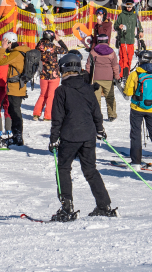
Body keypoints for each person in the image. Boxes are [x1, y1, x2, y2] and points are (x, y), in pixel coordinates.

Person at [48, 51, 116, 221]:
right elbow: (96, 112)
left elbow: (57, 117)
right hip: (88, 136)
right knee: (90, 170)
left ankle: (67, 207)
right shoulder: (87, 88)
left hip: (70, 136)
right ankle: (104, 205)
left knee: (63, 169)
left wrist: (53, 138)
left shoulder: (61, 91)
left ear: (64, 70)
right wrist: (100, 129)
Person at [122, 50, 152, 169]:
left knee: (136, 134)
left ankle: (136, 162)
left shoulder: (135, 74)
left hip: (136, 108)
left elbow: (128, 92)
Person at [0, 31, 34, 146]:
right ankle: (16, 135)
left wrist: (2, 48)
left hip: (15, 87)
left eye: (5, 42)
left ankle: (17, 137)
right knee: (14, 110)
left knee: (15, 111)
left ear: (9, 42)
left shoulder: (16, 54)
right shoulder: (22, 51)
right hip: (19, 86)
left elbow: (0, 61)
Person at [33, 31, 68, 121]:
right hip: (54, 74)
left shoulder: (39, 46)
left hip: (43, 75)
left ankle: (36, 114)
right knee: (51, 95)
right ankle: (47, 116)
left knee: (42, 94)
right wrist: (59, 40)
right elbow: (65, 50)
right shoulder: (53, 47)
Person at [85, 34, 120, 122]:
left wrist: (88, 76)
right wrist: (117, 77)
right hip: (108, 78)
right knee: (110, 97)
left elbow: (88, 65)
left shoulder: (93, 52)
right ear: (107, 41)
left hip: (96, 78)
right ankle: (112, 115)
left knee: (96, 98)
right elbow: (115, 66)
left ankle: (97, 115)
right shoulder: (111, 52)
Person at [113, 0, 142, 76]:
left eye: (130, 6)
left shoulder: (134, 15)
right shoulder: (122, 15)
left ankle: (126, 73)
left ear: (133, 6)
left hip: (131, 41)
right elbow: (115, 26)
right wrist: (119, 26)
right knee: (123, 58)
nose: (129, 7)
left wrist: (140, 32)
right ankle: (120, 74)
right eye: (127, 5)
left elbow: (139, 26)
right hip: (123, 40)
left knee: (129, 58)